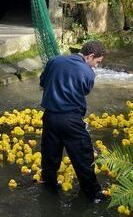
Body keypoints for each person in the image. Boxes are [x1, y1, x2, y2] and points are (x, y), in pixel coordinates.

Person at [39, 40, 106, 201]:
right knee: (83, 156)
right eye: (97, 62)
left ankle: (49, 186)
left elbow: (42, 85)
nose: (96, 66)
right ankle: (92, 194)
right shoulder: (88, 73)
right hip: (71, 120)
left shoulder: (54, 61)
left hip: (50, 117)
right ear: (90, 56)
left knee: (50, 154)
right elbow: (83, 91)